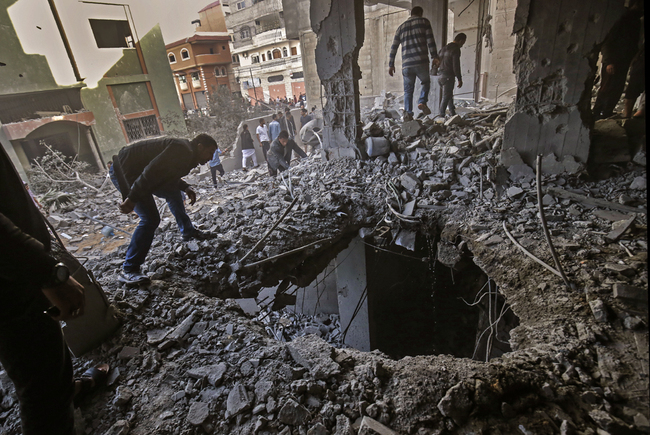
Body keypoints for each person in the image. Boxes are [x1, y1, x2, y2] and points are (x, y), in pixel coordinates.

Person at [0, 145, 106, 434]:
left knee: (42, 355)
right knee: (40, 386)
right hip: (10, 282)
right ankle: (58, 402)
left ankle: (67, 389)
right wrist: (47, 273)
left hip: (15, 273)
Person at [110, 134, 217, 284]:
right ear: (200, 147)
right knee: (151, 219)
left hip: (141, 172)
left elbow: (167, 173)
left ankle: (188, 232)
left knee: (174, 194)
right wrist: (132, 198)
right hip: (127, 171)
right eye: (210, 152)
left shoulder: (188, 154)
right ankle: (129, 270)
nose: (211, 158)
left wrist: (185, 187)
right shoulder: (182, 150)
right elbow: (152, 171)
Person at [592, 0, 643, 120]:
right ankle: (597, 113)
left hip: (623, 60)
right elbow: (607, 42)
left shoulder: (635, 21)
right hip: (614, 60)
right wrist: (609, 61)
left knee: (617, 88)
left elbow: (633, 43)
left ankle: (607, 112)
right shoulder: (622, 19)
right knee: (606, 87)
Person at [388, 6, 440, 121]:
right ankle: (422, 101)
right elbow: (430, 41)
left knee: (408, 91)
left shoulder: (400, 28)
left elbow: (394, 47)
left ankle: (408, 113)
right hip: (421, 61)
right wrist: (434, 56)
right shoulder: (424, 22)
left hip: (407, 65)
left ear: (411, 14)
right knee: (425, 82)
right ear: (420, 13)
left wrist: (391, 64)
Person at [438, 33, 467, 118]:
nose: (462, 45)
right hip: (448, 76)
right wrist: (459, 78)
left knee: (449, 94)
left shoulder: (443, 49)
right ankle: (441, 116)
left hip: (440, 76)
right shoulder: (455, 49)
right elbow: (456, 65)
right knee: (446, 96)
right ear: (461, 41)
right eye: (463, 43)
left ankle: (452, 112)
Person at [623, 43, 645, 119]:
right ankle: (627, 116)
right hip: (640, 65)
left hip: (639, 65)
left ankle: (639, 111)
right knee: (631, 91)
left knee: (631, 91)